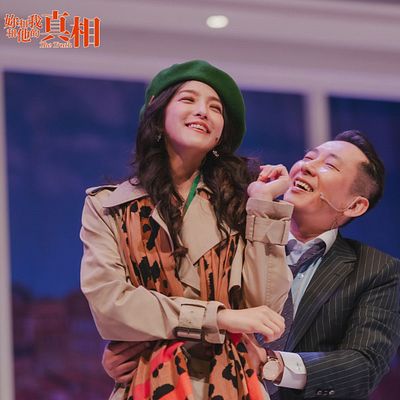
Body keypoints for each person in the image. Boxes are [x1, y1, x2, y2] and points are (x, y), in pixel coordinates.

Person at [103, 130, 400, 400]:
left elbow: (364, 364)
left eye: (330, 166)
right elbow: (178, 297)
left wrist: (273, 364)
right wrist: (138, 348)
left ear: (355, 205)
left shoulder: (377, 271)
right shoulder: (231, 233)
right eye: (309, 157)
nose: (306, 166)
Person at [80, 60, 294, 400]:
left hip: (232, 382)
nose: (203, 112)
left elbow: (264, 306)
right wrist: (220, 319)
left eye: (215, 108)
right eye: (188, 99)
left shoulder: (242, 204)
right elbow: (112, 304)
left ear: (221, 133)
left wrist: (264, 204)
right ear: (159, 116)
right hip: (150, 382)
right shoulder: (109, 206)